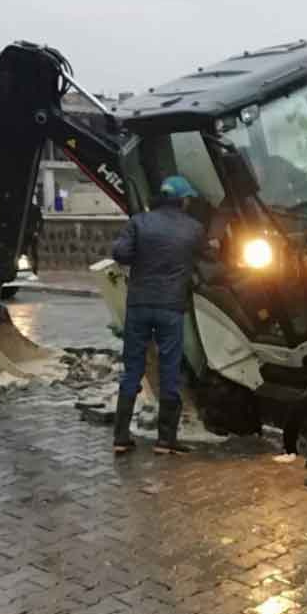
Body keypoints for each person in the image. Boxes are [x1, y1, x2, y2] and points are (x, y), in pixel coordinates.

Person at [110, 175, 206, 454]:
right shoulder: (193, 228)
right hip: (170, 308)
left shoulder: (139, 222)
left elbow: (121, 253)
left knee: (132, 370)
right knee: (169, 370)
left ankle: (120, 438)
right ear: (182, 200)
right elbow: (209, 256)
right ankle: (166, 440)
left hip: (139, 305)